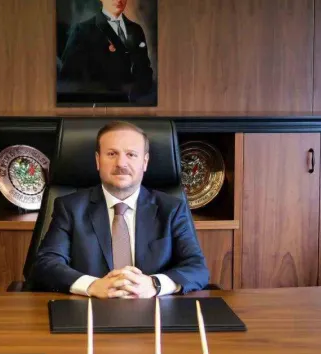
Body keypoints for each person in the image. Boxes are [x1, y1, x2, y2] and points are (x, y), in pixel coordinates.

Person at [30, 121, 210, 298]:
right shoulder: (70, 208)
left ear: (145, 162)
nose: (121, 163)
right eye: (111, 154)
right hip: (89, 308)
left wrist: (154, 284)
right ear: (98, 160)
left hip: (154, 309)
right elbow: (46, 264)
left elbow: (197, 268)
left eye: (131, 154)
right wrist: (92, 286)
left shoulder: (171, 209)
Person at [58, 0, 154, 104]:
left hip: (136, 105)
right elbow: (69, 83)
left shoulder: (136, 30)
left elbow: (144, 70)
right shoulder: (82, 31)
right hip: (98, 105)